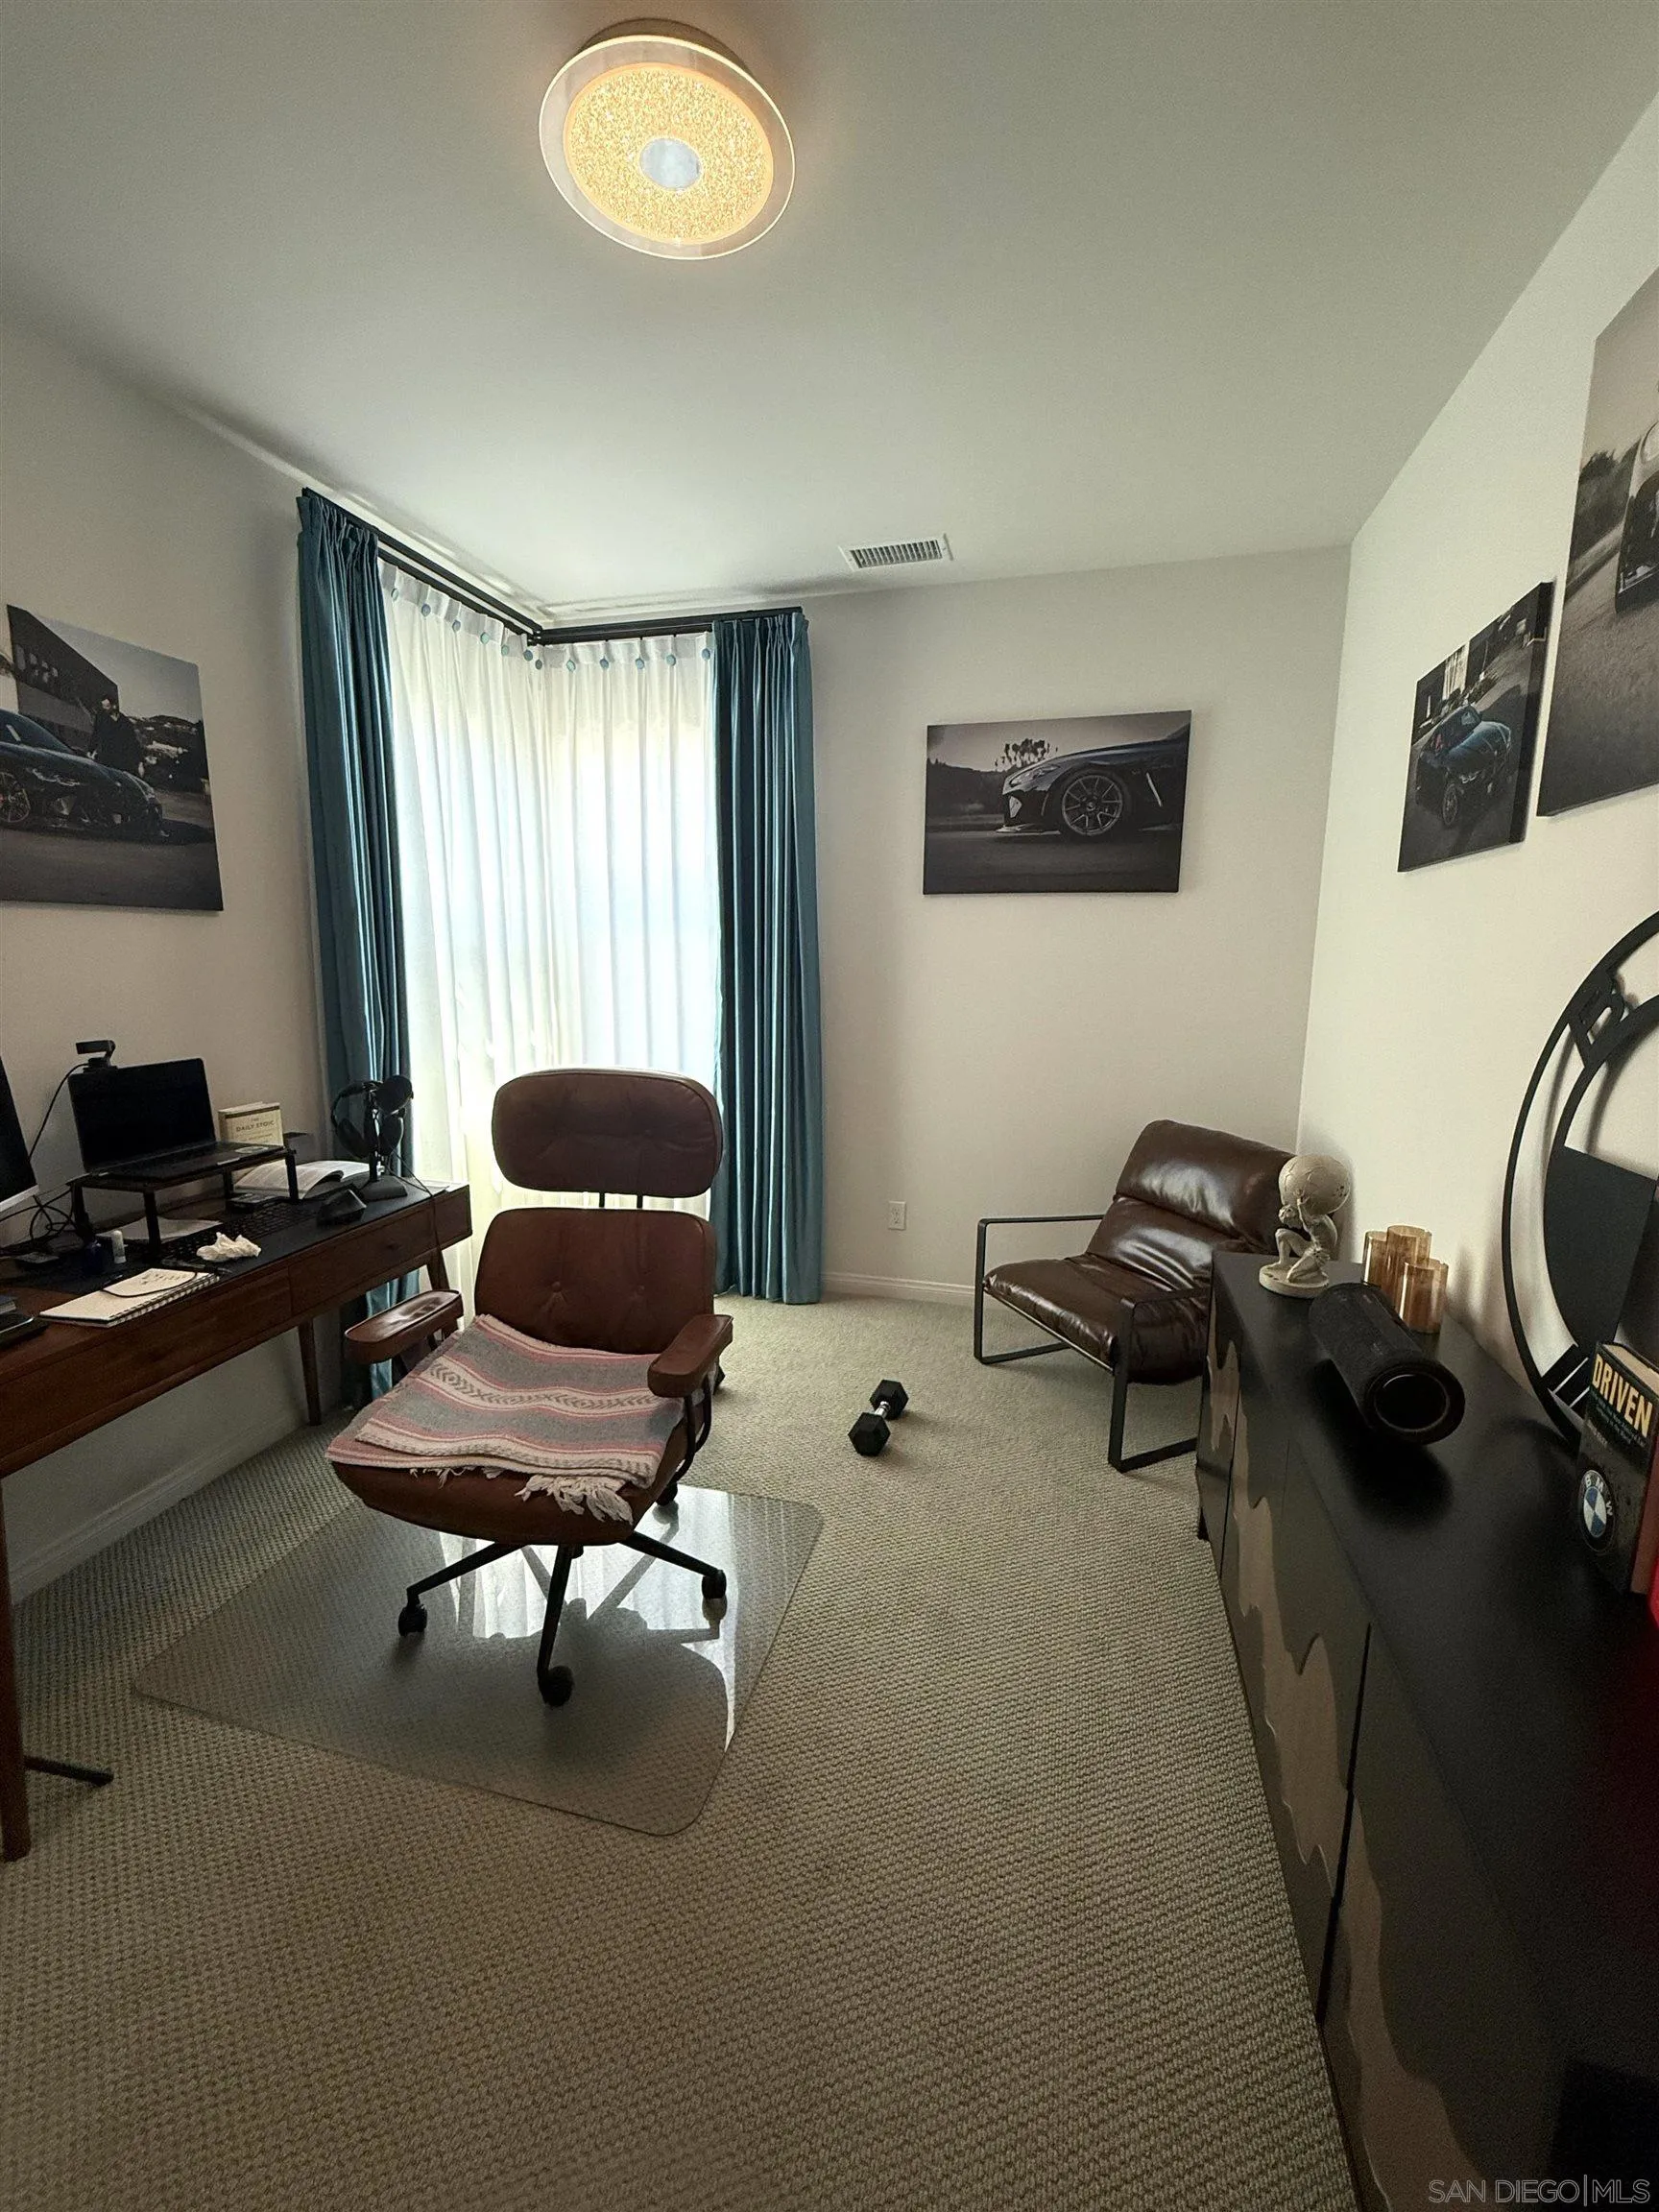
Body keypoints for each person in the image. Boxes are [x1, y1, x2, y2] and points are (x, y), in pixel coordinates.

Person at [90, 695, 144, 777]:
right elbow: (95, 735)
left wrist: (140, 762)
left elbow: (133, 742)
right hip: (105, 758)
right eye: (103, 706)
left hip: (121, 761)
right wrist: (90, 750)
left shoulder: (125, 722)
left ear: (114, 706)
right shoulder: (101, 719)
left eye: (107, 706)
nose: (104, 708)